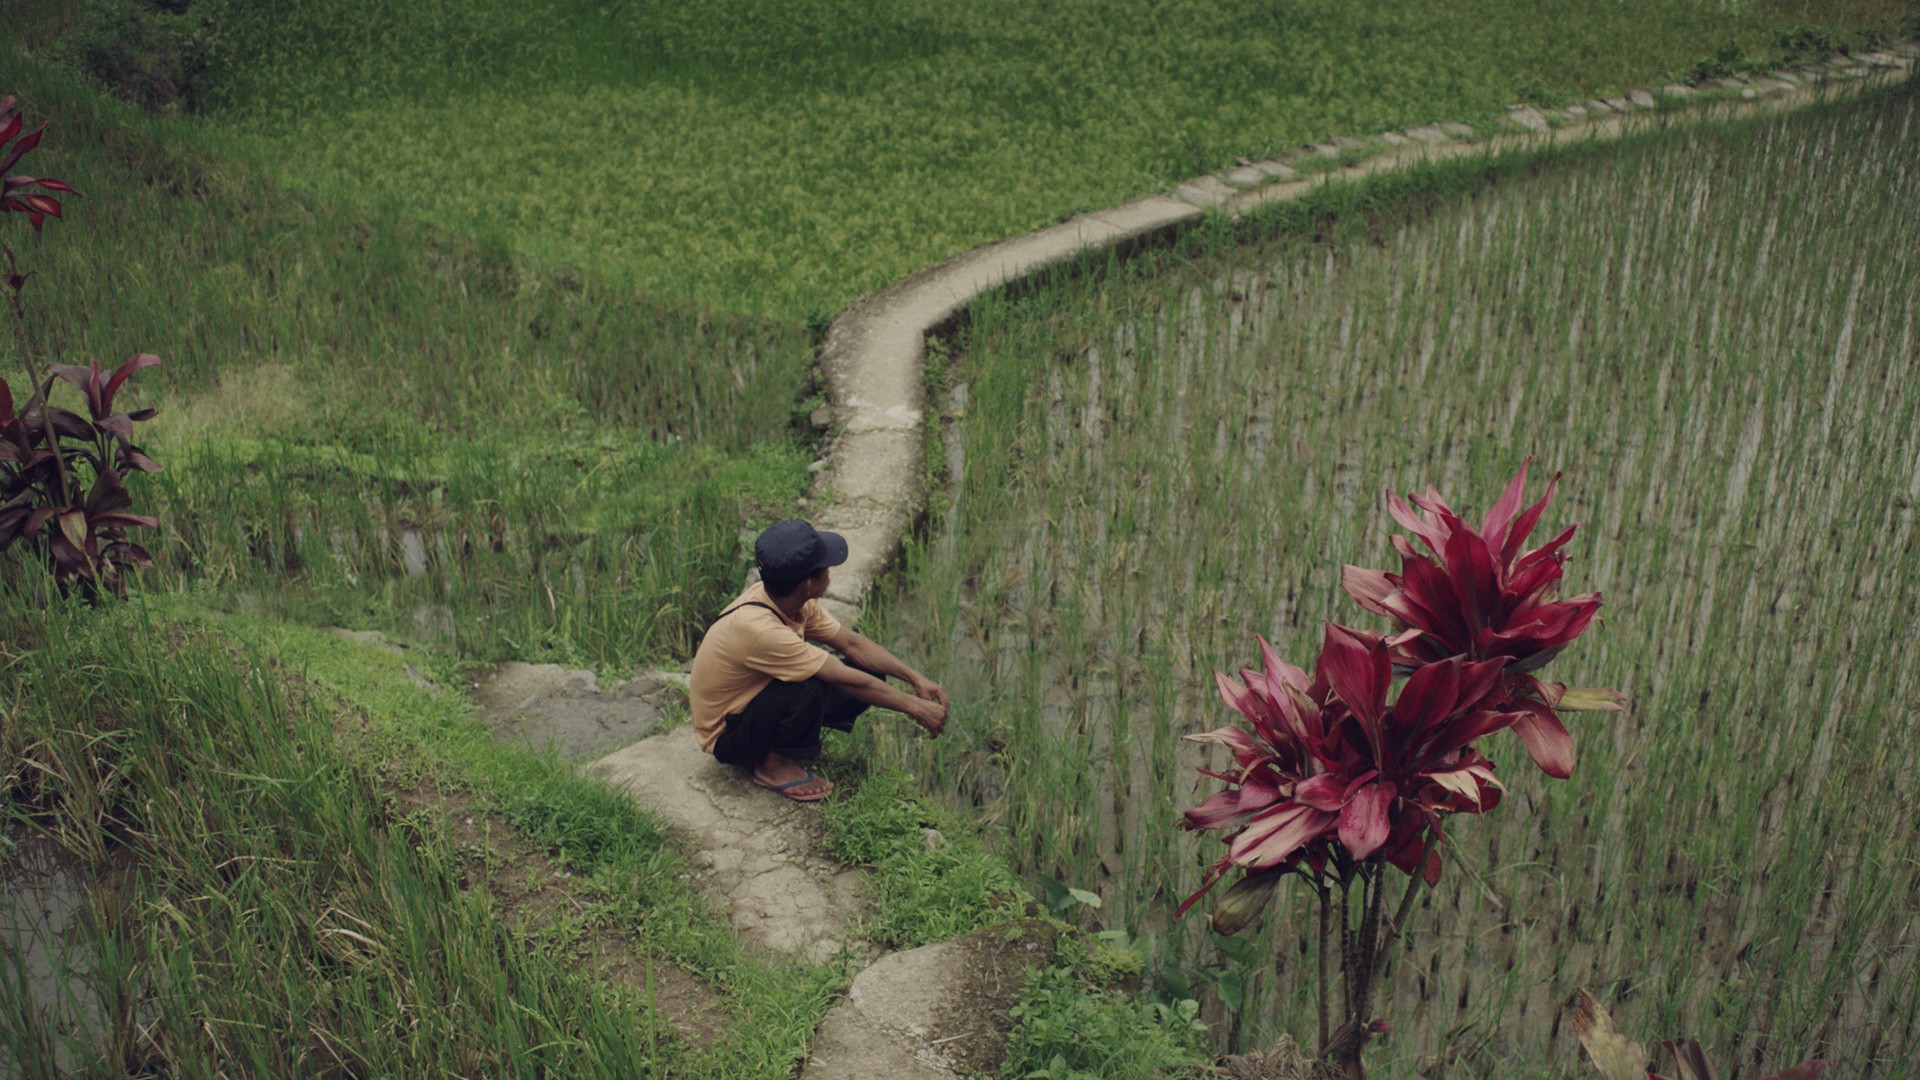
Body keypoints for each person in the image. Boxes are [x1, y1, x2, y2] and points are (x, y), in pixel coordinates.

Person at [689, 519, 949, 802]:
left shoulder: (788, 600)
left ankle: (787, 743)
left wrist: (915, 679)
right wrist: (916, 708)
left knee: (866, 671)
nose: (830, 571)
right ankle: (771, 766)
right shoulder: (760, 630)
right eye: (826, 567)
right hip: (728, 737)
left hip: (751, 708)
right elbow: (836, 674)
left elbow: (851, 644)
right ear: (809, 583)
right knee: (809, 686)